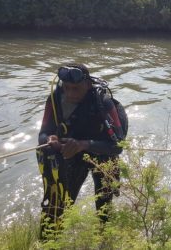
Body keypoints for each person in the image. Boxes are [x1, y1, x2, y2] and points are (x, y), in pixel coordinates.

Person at [36, 64, 125, 237]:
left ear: (88, 85)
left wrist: (83, 145)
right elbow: (43, 134)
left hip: (102, 153)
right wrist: (49, 139)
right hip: (72, 152)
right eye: (66, 88)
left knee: (104, 204)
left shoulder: (102, 102)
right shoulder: (55, 99)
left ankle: (104, 238)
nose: (70, 94)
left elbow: (118, 145)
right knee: (61, 203)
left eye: (76, 89)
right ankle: (52, 241)